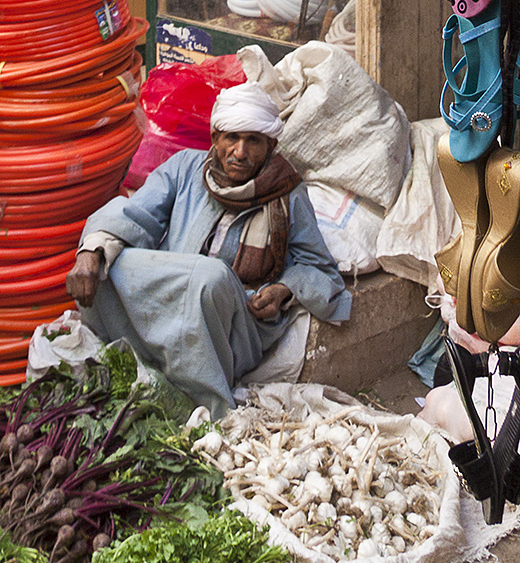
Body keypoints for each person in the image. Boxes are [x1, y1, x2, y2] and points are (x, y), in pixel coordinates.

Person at [66, 82, 351, 419]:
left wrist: (283, 290)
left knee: (210, 277)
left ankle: (207, 406)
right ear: (215, 139)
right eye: (231, 138)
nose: (240, 152)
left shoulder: (288, 194)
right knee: (103, 260)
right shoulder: (186, 168)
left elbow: (320, 269)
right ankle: (125, 360)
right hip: (169, 301)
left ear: (270, 146)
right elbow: (136, 214)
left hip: (232, 326)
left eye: (253, 141)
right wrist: (92, 251)